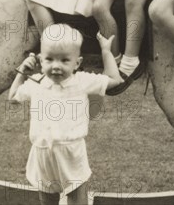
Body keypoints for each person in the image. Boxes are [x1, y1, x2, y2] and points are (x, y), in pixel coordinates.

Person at [8, 24, 123, 205]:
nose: (56, 66)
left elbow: (115, 81)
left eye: (64, 60)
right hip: (42, 152)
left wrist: (106, 51)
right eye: (50, 59)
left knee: (78, 201)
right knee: (47, 201)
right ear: (41, 60)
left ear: (77, 63)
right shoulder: (36, 82)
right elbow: (13, 97)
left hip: (71, 151)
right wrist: (22, 71)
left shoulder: (82, 81)